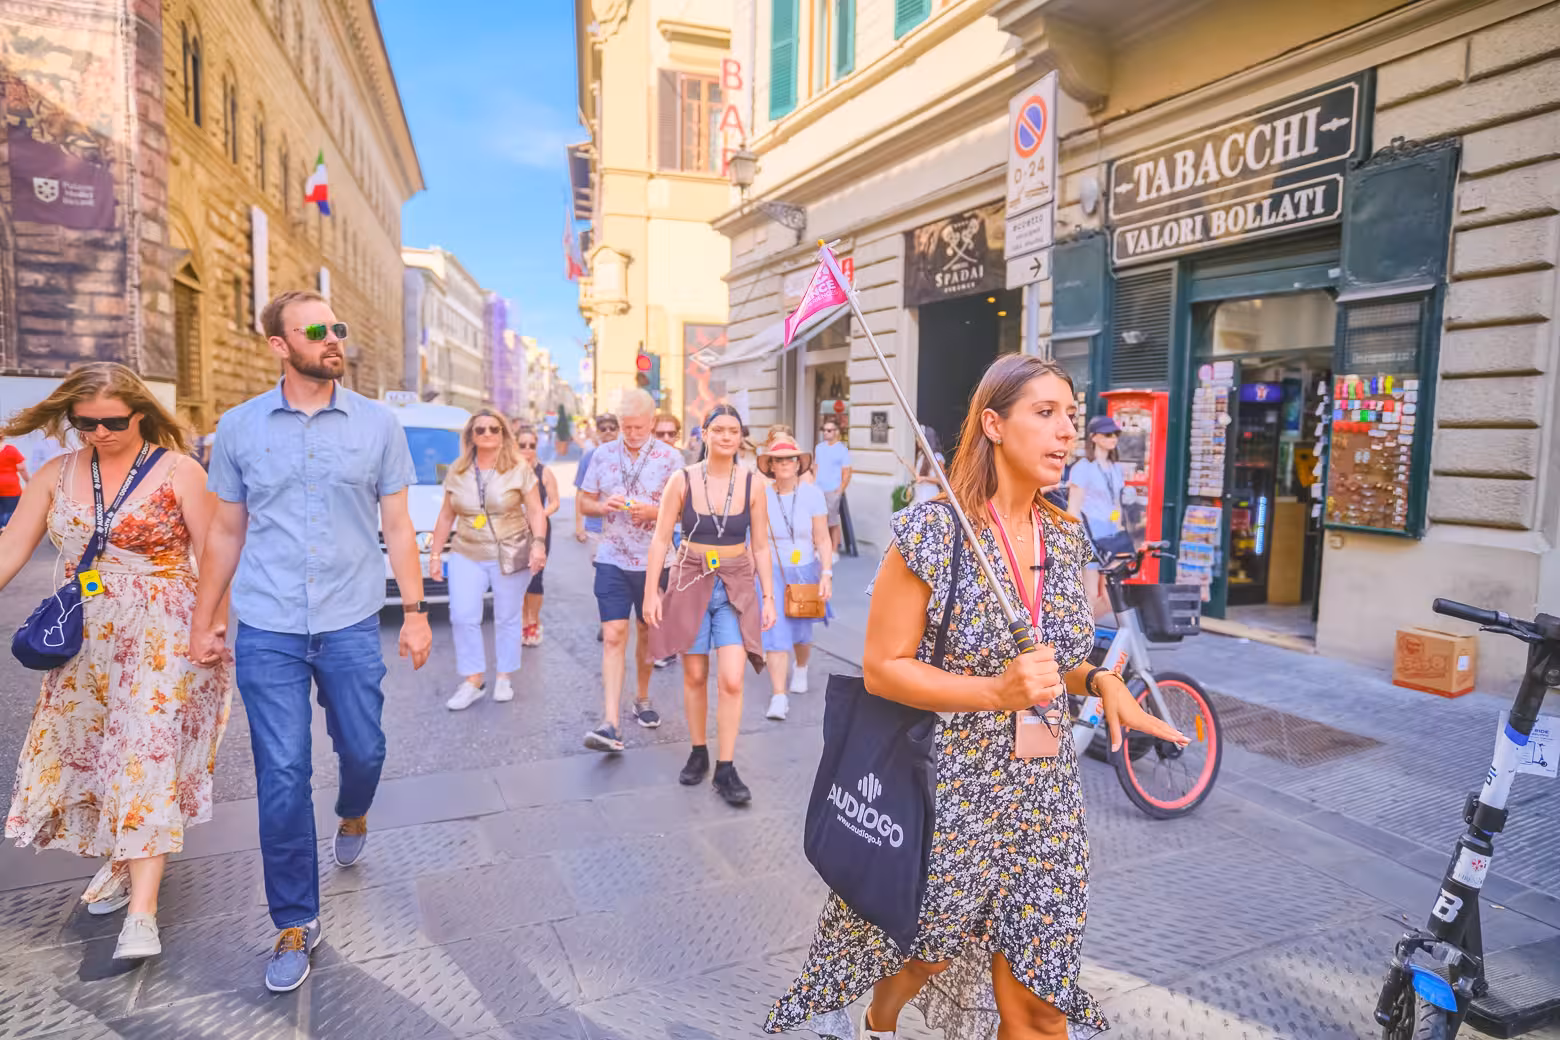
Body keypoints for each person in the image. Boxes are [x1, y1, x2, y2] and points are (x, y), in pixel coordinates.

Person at [766, 355, 1189, 1039]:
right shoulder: (934, 532)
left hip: (1045, 799)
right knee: (926, 951)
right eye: (1044, 414)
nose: (1065, 433)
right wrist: (996, 691)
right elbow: (883, 669)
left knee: (1043, 1011)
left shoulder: (1062, 533)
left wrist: (1101, 680)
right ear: (993, 424)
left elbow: (1059, 661)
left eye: (1070, 417)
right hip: (951, 787)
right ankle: (875, 1018)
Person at [188, 289, 433, 994]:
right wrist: (208, 618)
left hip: (352, 617)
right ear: (279, 345)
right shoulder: (237, 429)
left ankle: (353, 810)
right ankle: (293, 919)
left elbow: (398, 528)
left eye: (338, 329)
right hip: (267, 626)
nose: (334, 340)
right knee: (283, 773)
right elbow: (226, 531)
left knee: (365, 748)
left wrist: (413, 610)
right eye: (317, 331)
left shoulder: (378, 425)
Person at [1, 363, 232, 962]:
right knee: (101, 753)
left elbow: (213, 553)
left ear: (140, 413)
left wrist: (211, 627)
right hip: (87, 629)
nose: (98, 432)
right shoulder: (56, 472)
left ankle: (142, 915)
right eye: (85, 422)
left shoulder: (181, 470)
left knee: (143, 754)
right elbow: (11, 544)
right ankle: (121, 862)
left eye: (111, 421)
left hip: (164, 630)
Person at [644, 404, 775, 805]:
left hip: (735, 584)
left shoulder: (754, 483)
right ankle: (699, 750)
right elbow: (661, 539)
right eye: (718, 429)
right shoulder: (681, 480)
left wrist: (769, 596)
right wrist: (652, 591)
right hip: (690, 581)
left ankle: (726, 767)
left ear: (740, 437)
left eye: (733, 431)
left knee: (732, 678)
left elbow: (761, 545)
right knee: (695, 676)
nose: (725, 437)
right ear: (704, 434)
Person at [577, 391, 683, 752]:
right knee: (613, 635)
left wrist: (655, 514)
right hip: (611, 557)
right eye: (626, 426)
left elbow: (686, 511)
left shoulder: (671, 458)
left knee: (646, 633)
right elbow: (584, 503)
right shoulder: (602, 454)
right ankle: (610, 723)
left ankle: (642, 696)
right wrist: (601, 505)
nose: (632, 433)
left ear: (652, 423)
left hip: (656, 562)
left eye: (639, 426)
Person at [427, 411, 548, 710]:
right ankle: (473, 680)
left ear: (503, 433)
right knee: (462, 615)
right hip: (466, 551)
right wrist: (434, 554)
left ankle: (504, 676)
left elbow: (535, 510)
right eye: (480, 429)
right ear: (471, 435)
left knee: (507, 616)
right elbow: (446, 515)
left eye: (494, 428)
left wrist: (539, 545)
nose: (487, 433)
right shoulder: (456, 470)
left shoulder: (518, 468)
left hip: (509, 551)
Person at [754, 438, 831, 721]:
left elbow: (822, 538)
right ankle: (779, 696)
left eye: (790, 460)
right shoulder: (761, 495)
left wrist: (826, 573)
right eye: (779, 460)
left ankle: (801, 668)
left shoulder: (813, 494)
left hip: (804, 570)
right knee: (774, 633)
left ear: (798, 464)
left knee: (801, 633)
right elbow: (757, 540)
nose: (785, 464)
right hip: (772, 571)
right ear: (771, 466)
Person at [1067, 414, 1132, 607]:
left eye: (1115, 434)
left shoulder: (1115, 468)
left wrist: (1119, 527)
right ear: (1094, 437)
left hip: (1111, 532)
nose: (1113, 438)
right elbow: (1073, 509)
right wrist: (1074, 540)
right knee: (1090, 592)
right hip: (1090, 534)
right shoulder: (1083, 468)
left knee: (1111, 594)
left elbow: (1116, 504)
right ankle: (1085, 635)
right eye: (1108, 434)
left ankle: (1088, 631)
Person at [516, 424, 560, 647]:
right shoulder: (507, 472)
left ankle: (533, 620)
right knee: (518, 578)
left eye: (531, 445)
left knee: (535, 577)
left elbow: (555, 502)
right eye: (522, 445)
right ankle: (523, 619)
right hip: (513, 531)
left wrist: (538, 515)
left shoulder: (544, 472)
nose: (527, 449)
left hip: (539, 530)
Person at [651, 412, 684, 668]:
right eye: (660, 433)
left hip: (679, 534)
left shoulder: (681, 464)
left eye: (671, 434)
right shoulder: (643, 463)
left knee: (670, 592)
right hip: (651, 537)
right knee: (659, 590)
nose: (666, 438)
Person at [814, 417, 852, 551]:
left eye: (829, 430)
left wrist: (840, 489)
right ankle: (821, 547)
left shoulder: (842, 450)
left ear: (836, 432)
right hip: (818, 489)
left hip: (832, 490)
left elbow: (847, 472)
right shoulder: (819, 448)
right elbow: (816, 467)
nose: (825, 433)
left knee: (832, 521)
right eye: (824, 430)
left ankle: (834, 549)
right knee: (818, 520)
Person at [910, 424, 945, 504]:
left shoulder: (937, 457)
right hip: (919, 492)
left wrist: (924, 479)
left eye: (919, 437)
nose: (917, 439)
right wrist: (907, 465)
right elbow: (918, 475)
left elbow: (942, 479)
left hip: (930, 493)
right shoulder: (921, 455)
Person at [0, 438, 30, 528]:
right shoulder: (11, 450)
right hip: (10, 485)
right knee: (10, 510)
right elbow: (21, 467)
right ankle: (6, 529)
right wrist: (28, 481)